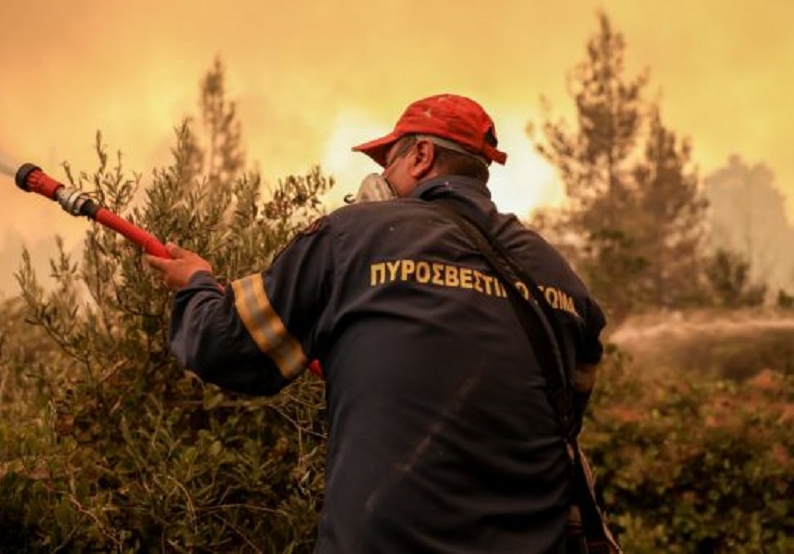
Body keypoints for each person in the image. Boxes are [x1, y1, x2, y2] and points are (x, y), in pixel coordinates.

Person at [146, 94, 606, 553]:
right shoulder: (559, 276)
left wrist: (197, 284)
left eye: (389, 161)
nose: (382, 176)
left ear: (421, 157)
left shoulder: (351, 237)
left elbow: (224, 347)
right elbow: (562, 413)